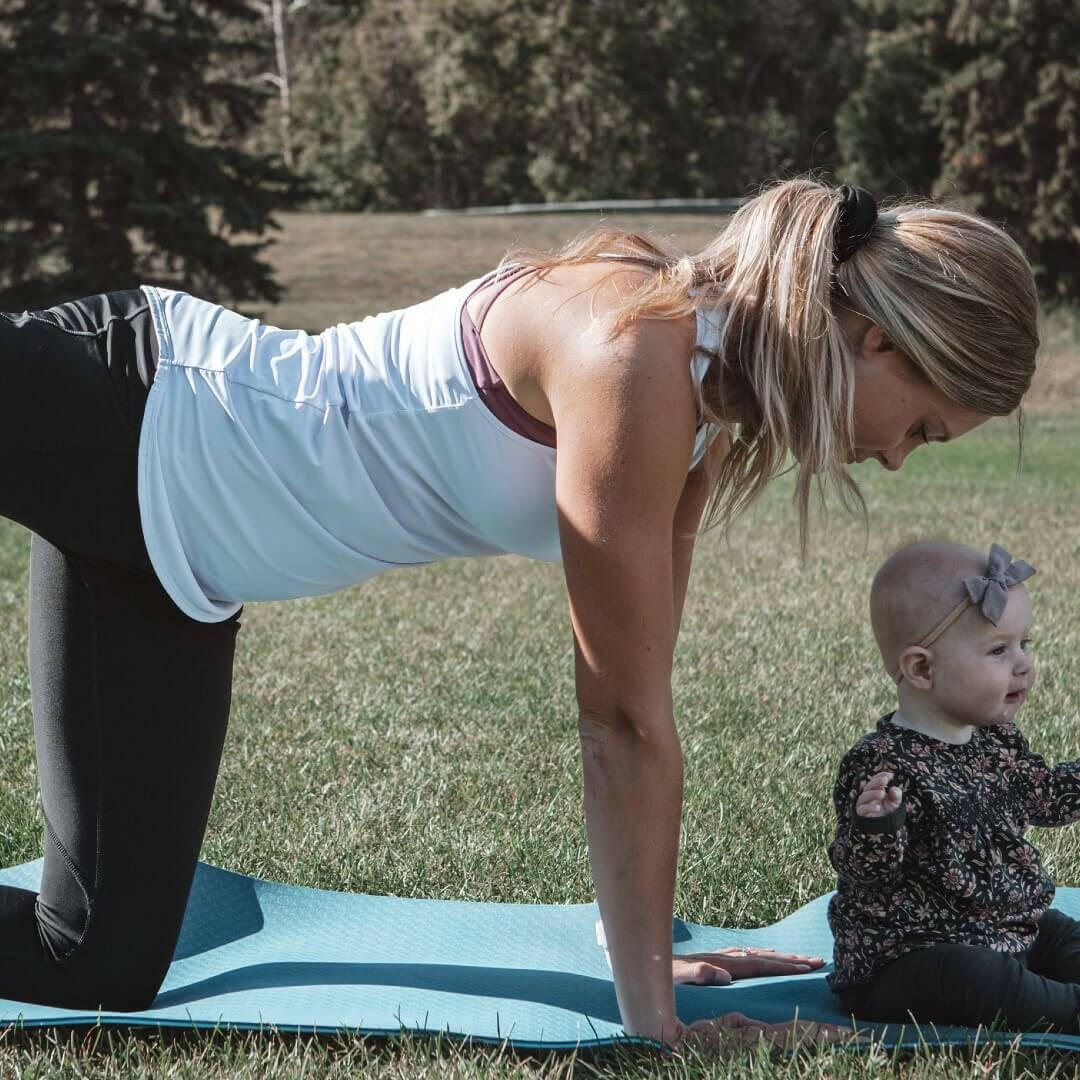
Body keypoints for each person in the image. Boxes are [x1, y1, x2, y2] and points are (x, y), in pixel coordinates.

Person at [0, 177, 1038, 1054]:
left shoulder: (701, 408)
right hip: (137, 407)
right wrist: (656, 1020)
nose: (900, 456)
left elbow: (644, 702)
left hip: (172, 572)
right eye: (924, 428)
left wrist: (636, 951)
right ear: (872, 341)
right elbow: (620, 730)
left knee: (97, 964)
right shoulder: (634, 351)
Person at [828, 540, 1080, 1033]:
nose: (1023, 664)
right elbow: (867, 877)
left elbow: (1043, 796)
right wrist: (876, 826)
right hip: (911, 957)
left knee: (1055, 931)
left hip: (1003, 926)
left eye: (1024, 644)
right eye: (998, 650)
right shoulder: (882, 765)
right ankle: (1066, 1008)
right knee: (977, 977)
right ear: (922, 668)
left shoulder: (995, 739)